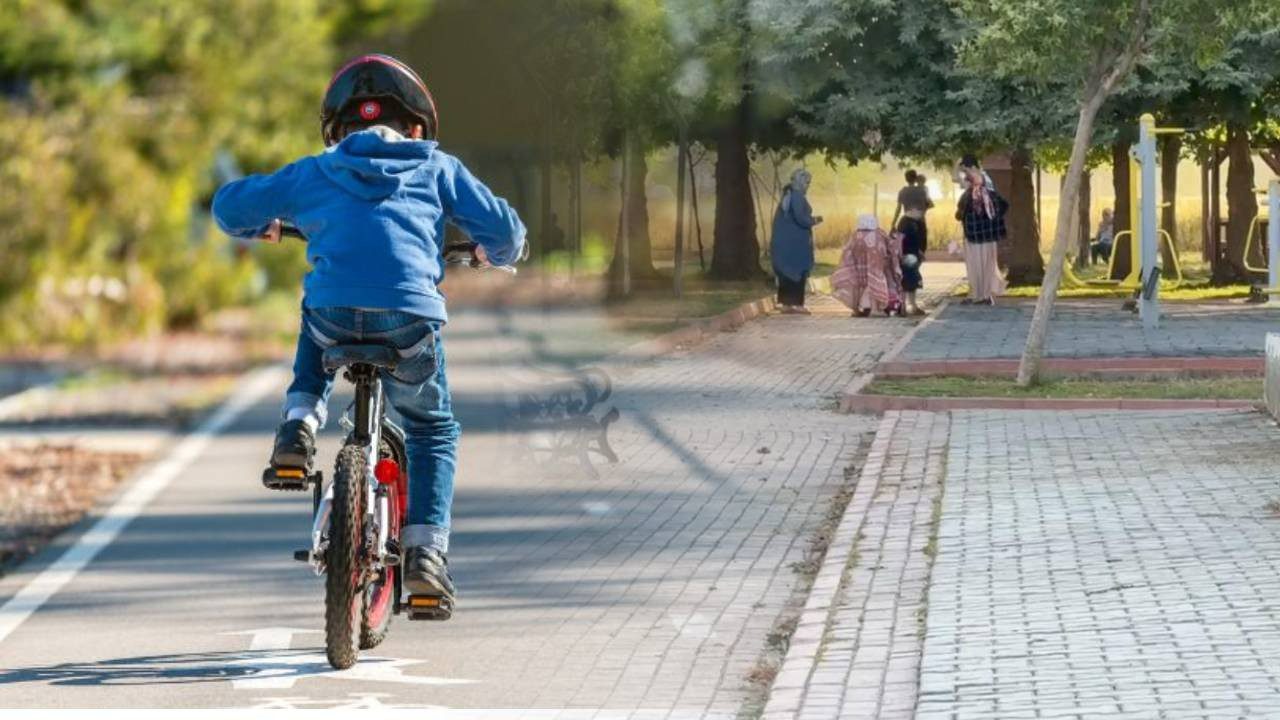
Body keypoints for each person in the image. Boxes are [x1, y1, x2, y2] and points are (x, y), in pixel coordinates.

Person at [211, 54, 526, 608]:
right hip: (409, 322)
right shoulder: (438, 166)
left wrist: (266, 223)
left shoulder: (317, 170)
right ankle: (426, 556)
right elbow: (507, 233)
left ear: (337, 131)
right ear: (418, 127)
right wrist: (489, 251)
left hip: (334, 319)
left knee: (317, 313)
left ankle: (298, 426)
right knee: (433, 430)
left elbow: (228, 207)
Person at [771, 168, 823, 314]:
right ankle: (798, 305)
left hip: (784, 242)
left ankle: (787, 304)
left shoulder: (787, 195)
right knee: (797, 272)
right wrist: (814, 220)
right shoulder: (797, 197)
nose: (808, 185)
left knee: (786, 273)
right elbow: (801, 218)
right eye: (807, 182)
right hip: (795, 244)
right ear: (801, 182)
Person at [832, 214, 903, 317]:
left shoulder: (855, 235)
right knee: (874, 281)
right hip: (874, 265)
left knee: (857, 285)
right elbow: (887, 249)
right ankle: (875, 309)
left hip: (858, 267)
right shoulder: (877, 235)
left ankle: (856, 310)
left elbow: (847, 251)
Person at [955, 167, 1008, 305]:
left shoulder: (967, 196)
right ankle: (986, 295)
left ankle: (976, 294)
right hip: (989, 238)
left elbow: (959, 214)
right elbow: (1004, 206)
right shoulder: (991, 194)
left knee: (974, 267)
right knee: (988, 266)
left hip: (973, 238)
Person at [892, 170, 933, 315]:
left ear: (905, 179)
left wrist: (893, 225)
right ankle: (913, 304)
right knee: (914, 263)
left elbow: (898, 209)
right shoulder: (922, 190)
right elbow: (929, 205)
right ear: (915, 178)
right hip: (917, 226)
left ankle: (902, 303)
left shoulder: (902, 192)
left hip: (903, 224)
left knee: (903, 263)